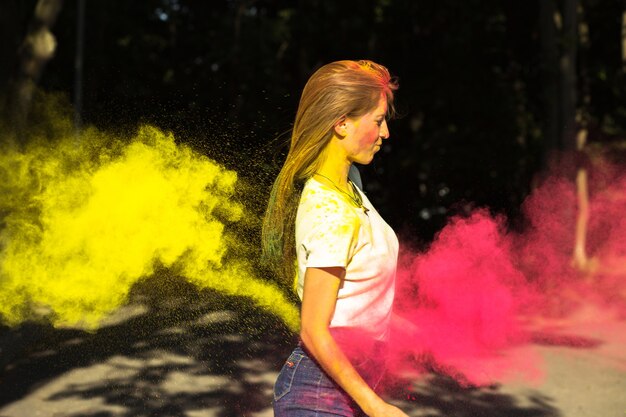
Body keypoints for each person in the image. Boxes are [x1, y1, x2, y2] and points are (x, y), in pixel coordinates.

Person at [262, 60, 409, 417]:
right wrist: (376, 407)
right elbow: (314, 330)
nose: (386, 133)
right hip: (317, 398)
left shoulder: (351, 184)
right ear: (341, 123)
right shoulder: (330, 212)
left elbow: (356, 299)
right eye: (377, 121)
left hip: (344, 388)